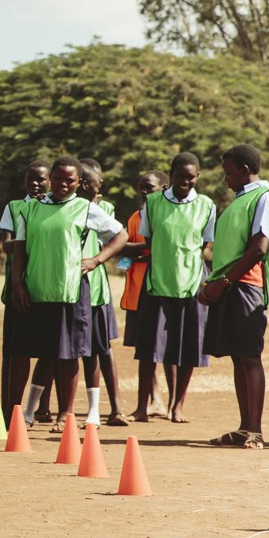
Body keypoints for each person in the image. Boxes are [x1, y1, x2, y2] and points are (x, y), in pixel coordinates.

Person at [8, 157, 127, 429]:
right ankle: (23, 413)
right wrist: (17, 286)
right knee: (35, 353)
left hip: (70, 291)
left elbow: (120, 235)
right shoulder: (30, 208)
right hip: (36, 291)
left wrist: (96, 260)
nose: (63, 184)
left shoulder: (85, 209)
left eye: (70, 180)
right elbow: (20, 250)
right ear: (50, 178)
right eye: (58, 178)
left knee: (68, 354)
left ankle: (66, 415)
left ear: (79, 183)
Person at [130, 152, 216, 425]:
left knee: (189, 348)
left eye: (191, 177)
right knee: (149, 348)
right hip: (158, 282)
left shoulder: (206, 205)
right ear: (171, 175)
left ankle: (177, 406)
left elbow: (204, 245)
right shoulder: (153, 203)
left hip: (191, 285)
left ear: (197, 177)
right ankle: (142, 407)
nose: (185, 181)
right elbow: (149, 240)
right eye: (180, 176)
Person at [198, 145, 269, 449]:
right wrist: (213, 282)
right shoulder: (239, 201)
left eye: (229, 172)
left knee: (250, 356)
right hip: (229, 285)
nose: (225, 178)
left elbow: (259, 247)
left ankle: (255, 430)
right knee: (237, 357)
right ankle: (244, 427)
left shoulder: (263, 197)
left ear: (245, 170)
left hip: (246, 286)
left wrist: (225, 281)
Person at [0, 161, 50, 427]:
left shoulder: (53, 208)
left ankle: (42, 407)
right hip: (18, 289)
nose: (35, 184)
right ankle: (10, 409)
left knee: (49, 352)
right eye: (31, 179)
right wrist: (32, 239)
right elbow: (6, 245)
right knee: (14, 351)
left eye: (41, 179)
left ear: (50, 181)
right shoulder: (14, 207)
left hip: (46, 286)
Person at [78, 160, 126, 427]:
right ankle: (48, 409)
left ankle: (116, 407)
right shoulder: (69, 208)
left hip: (98, 290)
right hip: (75, 291)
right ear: (85, 183)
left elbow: (112, 240)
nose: (101, 185)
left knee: (102, 348)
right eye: (97, 180)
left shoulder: (104, 209)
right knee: (74, 352)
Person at [120, 170, 171, 421]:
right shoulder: (135, 217)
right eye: (141, 187)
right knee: (145, 349)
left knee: (168, 348)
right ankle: (155, 400)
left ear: (164, 188)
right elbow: (126, 250)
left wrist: (131, 250)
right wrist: (135, 252)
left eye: (149, 187)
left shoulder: (168, 215)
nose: (143, 191)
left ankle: (173, 403)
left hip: (161, 289)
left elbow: (161, 248)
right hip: (138, 291)